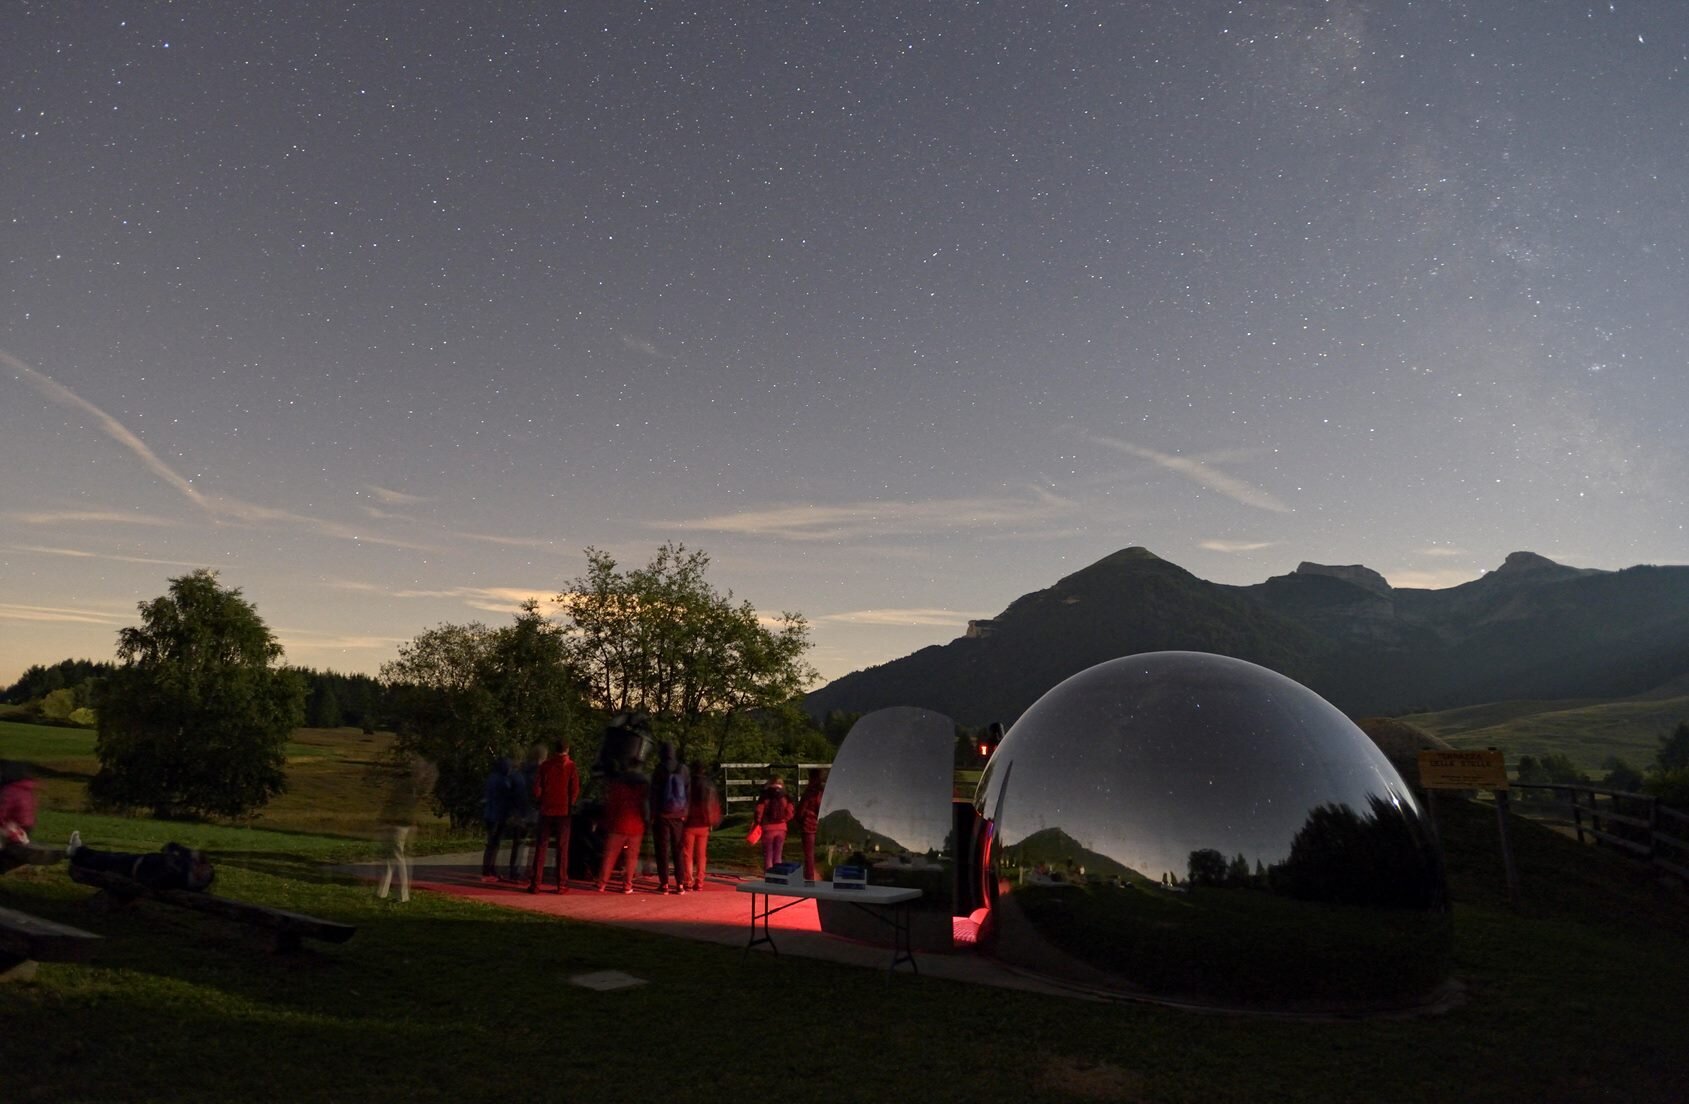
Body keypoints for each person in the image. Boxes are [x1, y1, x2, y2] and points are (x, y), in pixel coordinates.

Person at [377, 754, 436, 903]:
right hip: (402, 822)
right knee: (392, 857)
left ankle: (402, 895)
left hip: (399, 823)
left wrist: (386, 818)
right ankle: (383, 892)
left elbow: (397, 806)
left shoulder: (406, 786)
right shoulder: (411, 786)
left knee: (397, 857)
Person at [67, 833, 214, 892]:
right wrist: (191, 854)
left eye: (203, 868)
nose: (200, 865)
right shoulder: (185, 870)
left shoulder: (179, 875)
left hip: (135, 869)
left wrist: (184, 855)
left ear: (200, 878)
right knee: (109, 857)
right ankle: (79, 851)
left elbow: (167, 856)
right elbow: (171, 846)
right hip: (139, 862)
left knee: (107, 860)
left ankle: (77, 853)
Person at [529, 738, 580, 893]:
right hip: (563, 811)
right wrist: (570, 803)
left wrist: (541, 799)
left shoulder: (545, 766)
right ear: (567, 749)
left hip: (546, 809)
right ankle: (561, 884)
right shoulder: (570, 766)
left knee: (541, 846)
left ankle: (536, 883)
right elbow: (574, 789)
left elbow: (536, 788)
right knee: (562, 848)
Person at [596, 765, 649, 894]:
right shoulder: (641, 790)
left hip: (618, 825)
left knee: (610, 856)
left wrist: (607, 822)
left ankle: (602, 883)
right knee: (631, 858)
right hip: (636, 826)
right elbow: (644, 808)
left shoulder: (618, 788)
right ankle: (627, 885)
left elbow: (611, 807)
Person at [650, 741, 689, 894]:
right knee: (678, 849)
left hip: (662, 815)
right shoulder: (683, 769)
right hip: (678, 815)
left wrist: (653, 814)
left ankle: (664, 883)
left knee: (662, 849)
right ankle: (680, 883)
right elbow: (688, 792)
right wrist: (685, 812)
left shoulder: (659, 769)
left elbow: (653, 794)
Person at [681, 760, 721, 892]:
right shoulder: (708, 785)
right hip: (704, 823)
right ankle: (700, 881)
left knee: (687, 854)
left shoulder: (687, 784)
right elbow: (712, 803)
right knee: (701, 855)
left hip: (689, 823)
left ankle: (688, 880)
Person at [506, 744, 542, 881]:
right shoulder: (540, 773)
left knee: (519, 843)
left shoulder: (522, 772)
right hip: (535, 811)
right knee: (535, 843)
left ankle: (515, 870)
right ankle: (531, 870)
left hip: (521, 812)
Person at [480, 757, 517, 883]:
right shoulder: (503, 780)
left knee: (491, 843)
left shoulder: (492, 778)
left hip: (489, 814)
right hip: (497, 815)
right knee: (494, 843)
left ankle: (488, 868)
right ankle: (489, 869)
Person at [752, 774, 794, 871]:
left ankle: (769, 874)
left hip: (767, 828)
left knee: (768, 854)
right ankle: (778, 874)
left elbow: (759, 811)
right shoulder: (785, 796)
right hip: (781, 828)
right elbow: (790, 811)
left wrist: (758, 822)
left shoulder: (765, 796)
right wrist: (784, 819)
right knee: (778, 854)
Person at [795, 767, 826, 882]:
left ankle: (809, 876)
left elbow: (801, 810)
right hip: (819, 825)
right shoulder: (822, 792)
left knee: (809, 854)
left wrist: (798, 820)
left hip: (809, 825)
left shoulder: (809, 793)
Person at [0, 760, 39, 846]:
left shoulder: (10, 790)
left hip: (13, 828)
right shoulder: (26, 789)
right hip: (26, 827)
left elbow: (2, 811)